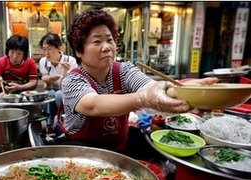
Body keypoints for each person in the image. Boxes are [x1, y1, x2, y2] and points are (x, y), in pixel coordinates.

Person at [60, 9, 218, 159]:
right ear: (79, 51)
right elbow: (93, 105)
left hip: (119, 153)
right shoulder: (72, 80)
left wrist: (189, 92)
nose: (107, 47)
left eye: (110, 40)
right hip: (82, 156)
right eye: (97, 42)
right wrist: (143, 99)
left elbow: (150, 88)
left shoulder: (124, 70)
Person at [39, 33, 78, 125]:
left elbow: (69, 85)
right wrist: (49, 80)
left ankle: (62, 123)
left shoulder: (70, 61)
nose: (47, 53)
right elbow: (46, 86)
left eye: (49, 49)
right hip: (52, 89)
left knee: (59, 94)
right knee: (50, 94)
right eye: (44, 49)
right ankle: (49, 123)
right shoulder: (43, 61)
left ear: (59, 48)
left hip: (68, 90)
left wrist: (64, 71)